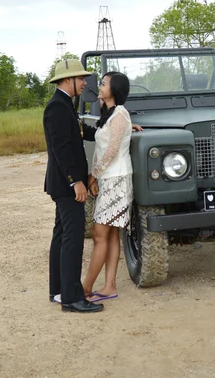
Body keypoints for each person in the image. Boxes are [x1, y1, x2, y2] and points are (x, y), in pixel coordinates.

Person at [43, 59, 104, 313]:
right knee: (73, 238)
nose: (85, 83)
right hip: (67, 184)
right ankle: (71, 298)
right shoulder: (57, 108)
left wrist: (112, 128)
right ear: (68, 80)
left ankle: (58, 291)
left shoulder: (65, 105)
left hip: (64, 183)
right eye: (81, 79)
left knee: (62, 235)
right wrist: (75, 181)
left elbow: (83, 132)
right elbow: (61, 149)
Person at [83, 71, 134, 302]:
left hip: (117, 179)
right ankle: (109, 286)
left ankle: (84, 289)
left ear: (114, 89)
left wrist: (92, 176)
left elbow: (112, 151)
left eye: (103, 84)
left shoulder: (120, 113)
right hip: (110, 178)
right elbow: (105, 143)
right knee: (111, 234)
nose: (100, 87)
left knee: (100, 234)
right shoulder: (112, 115)